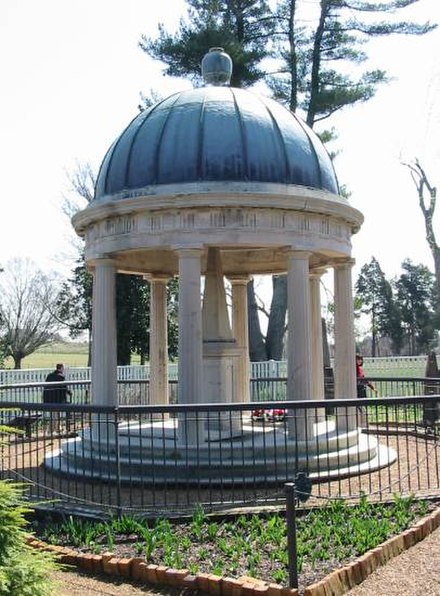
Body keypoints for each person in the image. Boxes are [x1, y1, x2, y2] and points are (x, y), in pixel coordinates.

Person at [42, 364, 72, 432]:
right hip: (57, 398)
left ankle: (57, 427)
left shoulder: (49, 375)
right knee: (55, 414)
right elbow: (64, 388)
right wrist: (69, 393)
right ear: (61, 368)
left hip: (48, 398)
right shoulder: (61, 377)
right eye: (63, 368)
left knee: (54, 414)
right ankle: (52, 429)